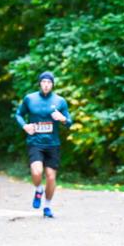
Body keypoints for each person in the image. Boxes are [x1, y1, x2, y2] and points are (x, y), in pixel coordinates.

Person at [15, 71, 72, 218]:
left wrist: (62, 118)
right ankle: (38, 189)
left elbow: (69, 122)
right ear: (40, 83)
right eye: (44, 82)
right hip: (35, 142)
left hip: (53, 144)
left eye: (49, 82)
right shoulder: (30, 99)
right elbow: (19, 114)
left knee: (51, 177)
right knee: (36, 172)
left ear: (52, 84)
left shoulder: (60, 101)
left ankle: (47, 206)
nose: (46, 85)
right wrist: (25, 126)